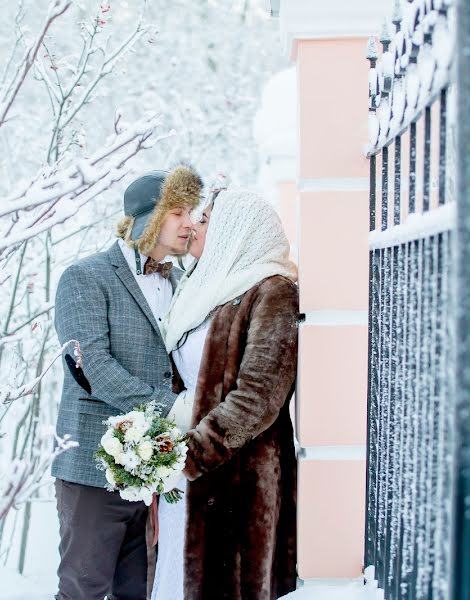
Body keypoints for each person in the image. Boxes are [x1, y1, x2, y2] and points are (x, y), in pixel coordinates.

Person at [52, 165, 202, 600]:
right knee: (83, 590)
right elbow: (91, 367)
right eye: (178, 212)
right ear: (148, 218)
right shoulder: (85, 277)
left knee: (141, 592)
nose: (189, 223)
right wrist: (169, 407)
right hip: (93, 468)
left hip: (157, 472)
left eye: (192, 212)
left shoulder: (180, 281)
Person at [154, 190, 300, 600]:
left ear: (237, 229)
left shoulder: (273, 292)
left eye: (206, 219)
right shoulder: (204, 290)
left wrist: (193, 452)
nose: (195, 226)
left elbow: (258, 397)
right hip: (186, 473)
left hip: (238, 476)